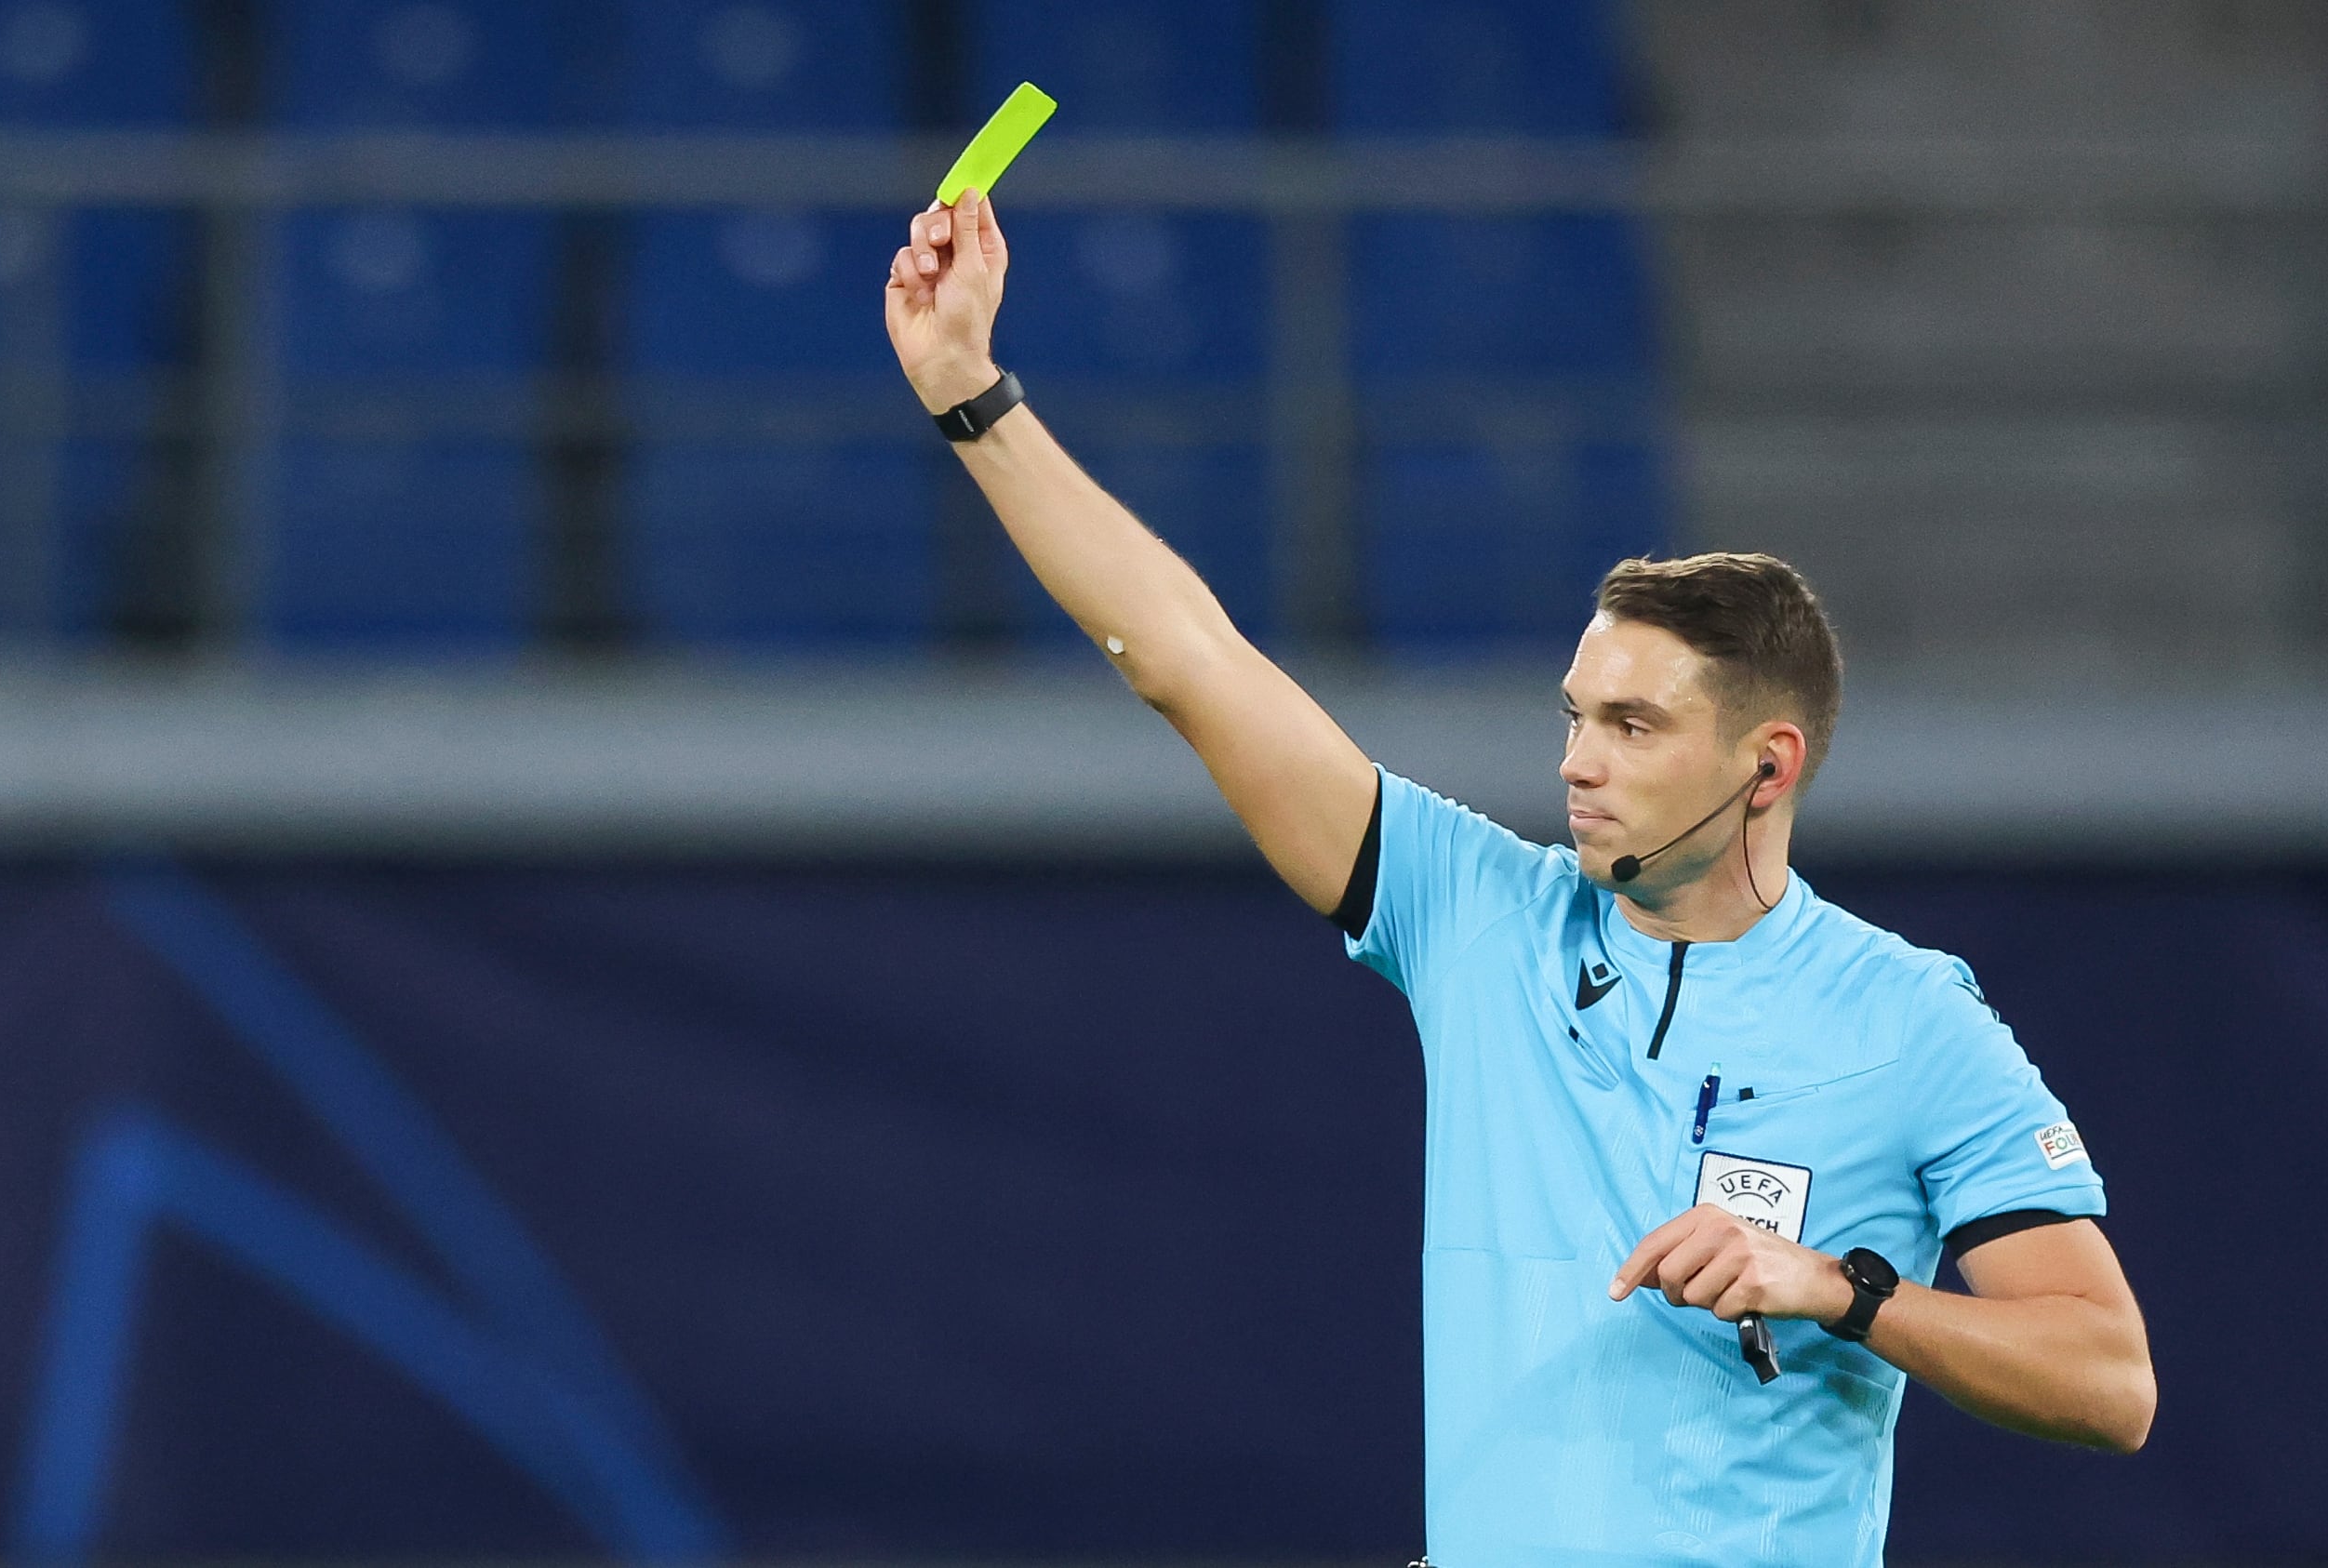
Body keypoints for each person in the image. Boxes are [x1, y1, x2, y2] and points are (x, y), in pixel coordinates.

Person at [885, 189, 2156, 1567]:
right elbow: (1189, 659)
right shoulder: (1475, 914)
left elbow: (2105, 1379)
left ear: (1766, 765)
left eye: (1632, 725)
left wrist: (1844, 1290)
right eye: (1573, 714)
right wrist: (971, 395)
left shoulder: (1910, 1019)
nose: (1577, 762)